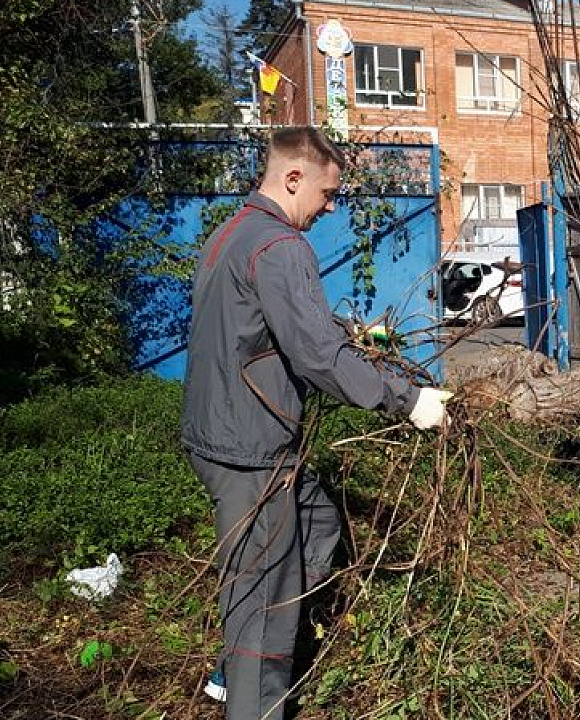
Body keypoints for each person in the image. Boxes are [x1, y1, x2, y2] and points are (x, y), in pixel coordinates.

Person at [179, 127, 453, 719]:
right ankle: (249, 682)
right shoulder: (281, 246)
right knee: (264, 605)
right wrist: (406, 401)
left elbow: (280, 325)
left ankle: (241, 657)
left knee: (320, 520)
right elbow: (316, 357)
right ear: (293, 177)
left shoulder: (232, 233)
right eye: (328, 193)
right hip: (251, 449)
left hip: (227, 434)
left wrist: (349, 336)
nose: (330, 207)